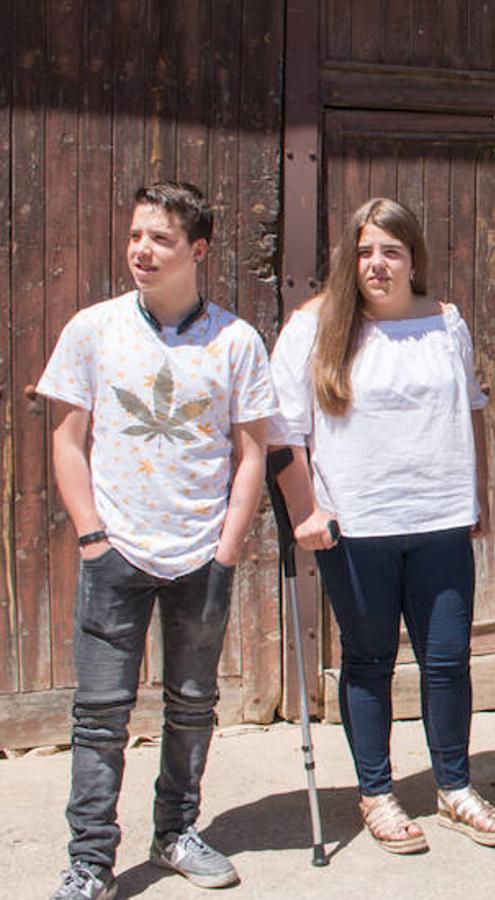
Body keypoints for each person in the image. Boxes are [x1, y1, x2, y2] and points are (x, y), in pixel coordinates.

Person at [40, 182, 277, 899]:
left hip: (200, 554)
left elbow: (252, 453)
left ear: (197, 250)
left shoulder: (235, 340)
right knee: (101, 712)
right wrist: (91, 538)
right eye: (137, 235)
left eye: (161, 238)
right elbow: (67, 439)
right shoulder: (93, 328)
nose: (142, 249)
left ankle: (175, 832)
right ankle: (90, 862)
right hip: (115, 552)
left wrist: (227, 547)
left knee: (192, 701)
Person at [270, 198, 495, 855]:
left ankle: (454, 787)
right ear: (349, 257)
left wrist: (476, 494)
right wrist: (303, 512)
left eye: (391, 251)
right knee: (370, 661)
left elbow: (470, 408)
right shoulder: (314, 327)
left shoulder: (444, 322)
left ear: (413, 258)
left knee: (447, 661)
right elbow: (284, 431)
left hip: (438, 520)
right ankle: (376, 793)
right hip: (356, 524)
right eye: (365, 250)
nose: (377, 263)